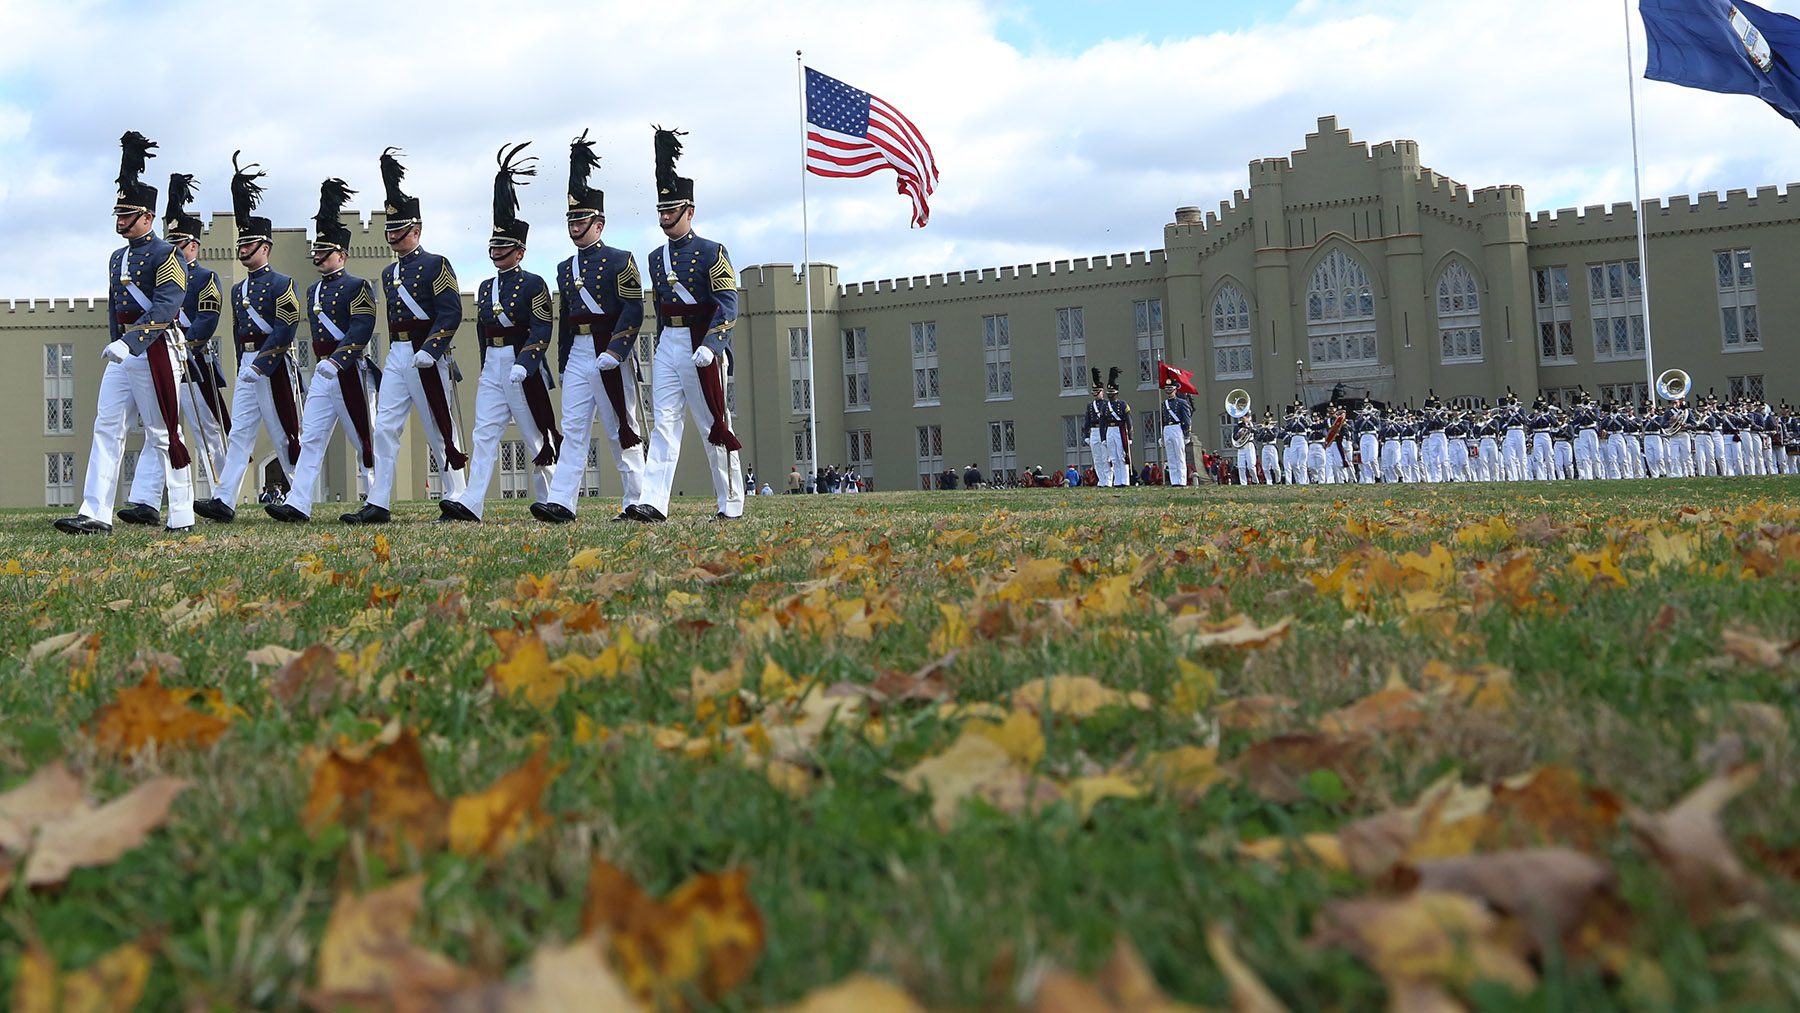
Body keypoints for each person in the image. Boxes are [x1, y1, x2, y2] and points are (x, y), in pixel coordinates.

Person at [56, 132, 196, 535]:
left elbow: (167, 305)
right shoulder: (117, 257)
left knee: (161, 430)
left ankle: (182, 512)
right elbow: (117, 308)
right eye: (118, 216)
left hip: (152, 349)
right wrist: (118, 340)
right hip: (124, 353)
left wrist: (129, 341)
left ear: (147, 218)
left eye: (127, 216)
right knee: (106, 426)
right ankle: (95, 511)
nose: (120, 223)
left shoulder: (166, 254)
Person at [344, 147, 467, 524]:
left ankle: (458, 494)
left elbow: (451, 311)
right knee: (384, 426)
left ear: (417, 230)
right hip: (397, 354)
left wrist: (432, 348)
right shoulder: (386, 273)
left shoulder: (436, 264)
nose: (393, 238)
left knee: (437, 424)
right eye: (391, 231)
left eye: (400, 231)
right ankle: (379, 500)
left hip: (426, 353)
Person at [439, 143, 559, 523]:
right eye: (494, 245)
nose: (496, 251)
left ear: (520, 251)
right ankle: (473, 501)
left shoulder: (534, 283)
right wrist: (489, 363)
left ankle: (553, 497)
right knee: (483, 433)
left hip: (522, 363)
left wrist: (527, 362)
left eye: (504, 246)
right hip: (494, 364)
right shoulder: (487, 287)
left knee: (536, 435)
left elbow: (542, 327)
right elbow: (483, 332)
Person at [533, 130, 647, 525]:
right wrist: (564, 362)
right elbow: (566, 319)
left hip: (609, 349)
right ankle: (563, 502)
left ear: (599, 223)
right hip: (579, 351)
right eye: (570, 218)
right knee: (573, 427)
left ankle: (637, 499)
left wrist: (616, 351)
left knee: (621, 426)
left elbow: (633, 310)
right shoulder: (565, 268)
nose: (574, 225)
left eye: (581, 218)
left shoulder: (621, 259)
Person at [635, 127, 743, 522]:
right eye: (661, 212)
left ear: (689, 211)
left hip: (703, 343)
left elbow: (728, 303)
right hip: (669, 342)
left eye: (672, 211)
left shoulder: (712, 251)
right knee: (663, 423)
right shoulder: (654, 257)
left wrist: (713, 346)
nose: (665, 218)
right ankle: (653, 501)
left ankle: (730, 502)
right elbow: (660, 307)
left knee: (712, 423)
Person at [194, 153, 301, 523]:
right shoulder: (238, 289)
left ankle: (299, 497)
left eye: (249, 245)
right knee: (239, 434)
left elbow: (287, 326)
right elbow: (240, 334)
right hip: (246, 367)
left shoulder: (283, 283)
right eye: (241, 245)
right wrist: (245, 366)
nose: (242, 250)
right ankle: (225, 499)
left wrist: (263, 363)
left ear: (265, 248)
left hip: (271, 367)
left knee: (285, 432)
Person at [266, 179, 379, 523]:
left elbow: (361, 328)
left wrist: (339, 359)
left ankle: (375, 500)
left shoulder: (359, 286)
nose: (317, 256)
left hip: (348, 370)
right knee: (311, 436)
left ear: (342, 255)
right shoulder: (313, 289)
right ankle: (299, 502)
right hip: (321, 373)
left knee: (364, 437)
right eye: (315, 251)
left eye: (324, 252)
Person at [121, 171, 227, 525]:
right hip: (157, 349)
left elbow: (207, 319)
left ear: (194, 245)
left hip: (189, 358)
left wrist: (187, 344)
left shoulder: (206, 278)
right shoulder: (157, 262)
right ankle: (147, 501)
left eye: (181, 242)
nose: (175, 247)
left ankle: (222, 494)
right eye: (172, 240)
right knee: (161, 426)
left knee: (206, 430)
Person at [1158, 378, 1192, 486]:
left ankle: (1181, 481)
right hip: (1167, 429)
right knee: (1171, 456)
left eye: (1170, 389)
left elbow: (1187, 420)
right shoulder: (1163, 404)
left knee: (1179, 456)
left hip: (1177, 428)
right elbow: (1162, 421)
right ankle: (1174, 481)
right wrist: (1162, 436)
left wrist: (1187, 434)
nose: (1168, 391)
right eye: (1167, 389)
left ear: (1175, 390)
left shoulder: (1182, 403)